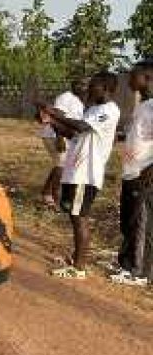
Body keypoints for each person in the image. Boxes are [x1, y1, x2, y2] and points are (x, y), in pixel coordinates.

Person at [38, 71, 120, 280]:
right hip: (75, 172)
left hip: (86, 174)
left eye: (94, 85)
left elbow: (80, 126)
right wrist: (49, 121)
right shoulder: (92, 109)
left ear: (107, 89)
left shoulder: (109, 110)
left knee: (79, 218)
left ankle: (79, 268)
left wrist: (53, 113)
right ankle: (76, 259)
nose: (89, 88)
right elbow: (74, 134)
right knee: (74, 216)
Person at [111, 60, 153, 286]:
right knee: (128, 221)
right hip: (130, 173)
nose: (128, 79)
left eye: (133, 75)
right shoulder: (143, 104)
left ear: (147, 77)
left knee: (141, 223)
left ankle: (140, 271)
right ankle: (126, 263)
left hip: (143, 175)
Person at [38, 79, 85, 206]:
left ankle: (46, 192)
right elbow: (56, 116)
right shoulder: (65, 97)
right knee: (61, 166)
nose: (83, 87)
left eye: (85, 85)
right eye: (80, 84)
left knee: (60, 165)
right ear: (73, 85)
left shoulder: (79, 100)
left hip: (65, 137)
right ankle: (55, 198)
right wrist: (59, 138)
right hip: (54, 135)